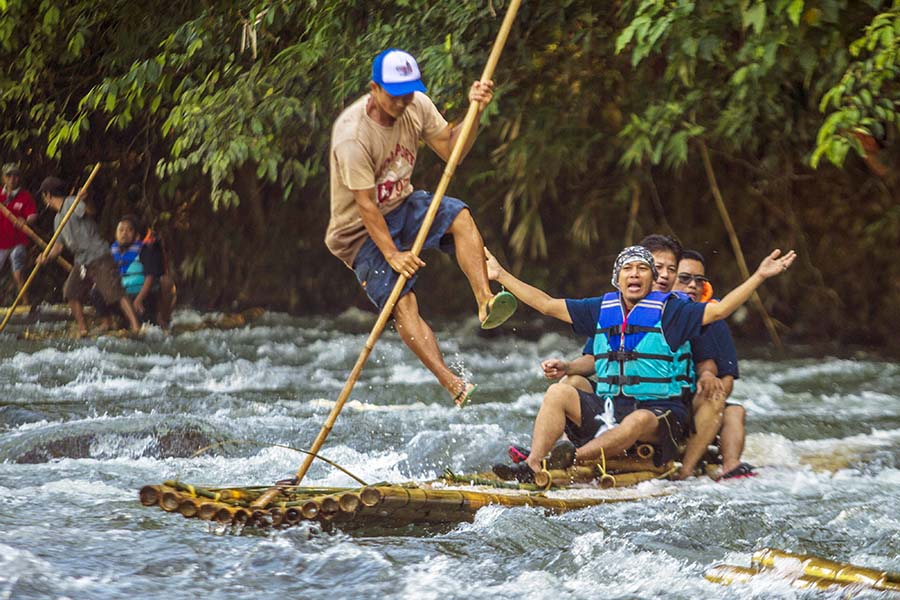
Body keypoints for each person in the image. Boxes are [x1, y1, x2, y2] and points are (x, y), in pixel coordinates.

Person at [486, 244, 795, 482]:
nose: (634, 274)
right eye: (628, 269)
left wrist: (759, 276)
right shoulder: (601, 308)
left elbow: (720, 310)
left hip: (661, 416)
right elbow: (547, 305)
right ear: (617, 278)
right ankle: (532, 464)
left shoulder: (674, 312)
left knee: (637, 420)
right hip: (610, 407)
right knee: (558, 393)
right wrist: (500, 275)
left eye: (642, 269)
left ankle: (570, 459)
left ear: (652, 279)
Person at [326, 48, 516, 406]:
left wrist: (476, 111)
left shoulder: (416, 105)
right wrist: (393, 254)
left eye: (408, 92)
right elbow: (365, 205)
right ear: (375, 88)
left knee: (460, 216)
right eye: (394, 94)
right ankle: (451, 383)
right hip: (358, 231)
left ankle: (485, 301)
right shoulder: (353, 135)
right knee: (403, 300)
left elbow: (452, 151)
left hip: (402, 203)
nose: (402, 102)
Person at [672, 250, 753, 480]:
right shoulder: (652, 313)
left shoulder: (714, 320)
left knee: (734, 411)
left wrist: (709, 390)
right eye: (685, 278)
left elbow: (727, 377)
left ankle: (730, 466)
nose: (693, 286)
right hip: (660, 402)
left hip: (697, 404)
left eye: (699, 280)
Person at [36, 176, 140, 336]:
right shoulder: (57, 219)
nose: (44, 200)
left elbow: (90, 210)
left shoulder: (71, 202)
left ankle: (136, 327)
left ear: (48, 195)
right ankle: (83, 329)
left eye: (44, 196)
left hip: (98, 256)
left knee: (114, 292)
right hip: (82, 261)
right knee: (70, 292)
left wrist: (85, 199)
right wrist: (46, 256)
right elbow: (58, 247)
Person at [98, 215, 165, 328]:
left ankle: (159, 319)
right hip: (120, 297)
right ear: (116, 234)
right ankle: (107, 322)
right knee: (96, 291)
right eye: (121, 230)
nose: (124, 233)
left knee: (147, 323)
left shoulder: (145, 250)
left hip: (141, 297)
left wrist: (139, 299)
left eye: (129, 230)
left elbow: (150, 277)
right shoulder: (110, 251)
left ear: (137, 235)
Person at [0, 163, 38, 304]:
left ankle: (25, 303)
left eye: (15, 175)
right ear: (4, 178)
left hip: (18, 242)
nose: (12, 179)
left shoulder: (25, 197)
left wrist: (25, 221)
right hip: (1, 242)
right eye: (9, 176)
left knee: (18, 273)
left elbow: (33, 215)